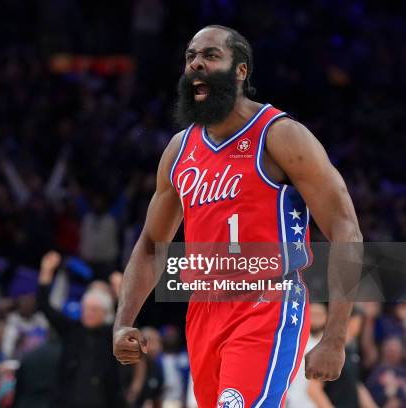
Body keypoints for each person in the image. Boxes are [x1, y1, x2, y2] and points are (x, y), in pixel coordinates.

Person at [113, 25, 362, 407]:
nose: (196, 63)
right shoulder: (180, 150)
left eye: (211, 56)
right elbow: (150, 245)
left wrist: (335, 336)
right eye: (190, 56)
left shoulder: (279, 134)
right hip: (203, 308)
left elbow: (346, 227)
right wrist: (123, 321)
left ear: (241, 71)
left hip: (267, 302)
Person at [37, 251, 128, 408]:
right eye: (85, 309)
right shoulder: (72, 329)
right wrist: (46, 272)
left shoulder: (110, 334)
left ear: (104, 313)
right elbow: (45, 307)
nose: (88, 314)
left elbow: (127, 322)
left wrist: (121, 291)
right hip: (66, 401)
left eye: (94, 310)